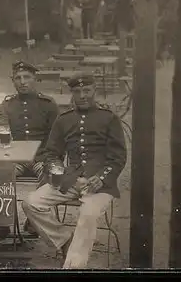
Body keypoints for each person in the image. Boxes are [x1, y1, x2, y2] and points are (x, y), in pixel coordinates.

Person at [22, 71, 127, 269]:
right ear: (72, 93)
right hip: (70, 180)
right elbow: (51, 153)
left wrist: (102, 178)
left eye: (86, 90)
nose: (83, 95)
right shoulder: (64, 120)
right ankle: (65, 240)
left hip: (101, 185)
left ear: (94, 90)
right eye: (77, 91)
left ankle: (74, 266)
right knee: (30, 203)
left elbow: (118, 157)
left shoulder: (109, 118)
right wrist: (58, 171)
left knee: (87, 213)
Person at [0, 60, 60, 238]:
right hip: (16, 157)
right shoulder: (8, 104)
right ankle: (1, 223)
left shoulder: (48, 103)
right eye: (18, 78)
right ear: (13, 81)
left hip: (41, 157)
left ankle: (34, 221)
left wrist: (52, 158)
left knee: (51, 174)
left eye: (27, 77)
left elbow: (58, 136)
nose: (22, 81)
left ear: (35, 79)